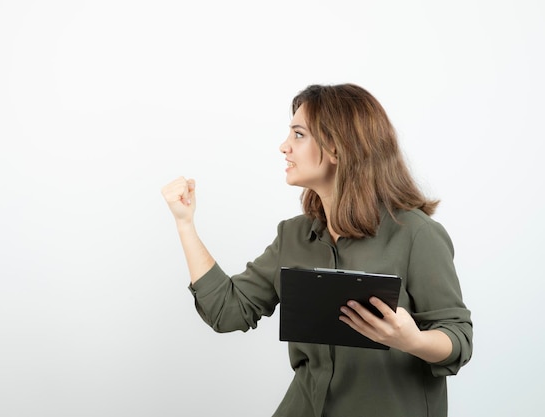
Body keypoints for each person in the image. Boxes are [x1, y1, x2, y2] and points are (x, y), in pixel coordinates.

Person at [160, 83, 473, 417]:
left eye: (298, 135)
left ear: (337, 148)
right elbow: (228, 311)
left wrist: (412, 341)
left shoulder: (416, 235)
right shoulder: (293, 235)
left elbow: (458, 338)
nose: (284, 147)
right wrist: (185, 224)